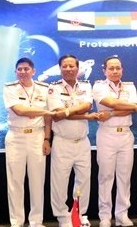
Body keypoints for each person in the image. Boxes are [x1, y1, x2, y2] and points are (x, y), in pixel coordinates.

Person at [92, 56, 137, 227]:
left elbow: (127, 107)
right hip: (106, 135)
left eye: (118, 68)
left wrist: (115, 112)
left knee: (124, 176)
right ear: (104, 70)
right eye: (111, 68)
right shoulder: (98, 86)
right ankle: (105, 216)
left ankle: (122, 214)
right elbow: (111, 102)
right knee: (105, 176)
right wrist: (132, 107)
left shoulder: (129, 86)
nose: (115, 71)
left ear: (122, 69)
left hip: (126, 135)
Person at [48, 54, 100, 227]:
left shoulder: (86, 85)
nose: (69, 69)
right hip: (62, 142)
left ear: (78, 69)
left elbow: (86, 105)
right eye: (65, 66)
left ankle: (79, 213)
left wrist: (68, 112)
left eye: (72, 66)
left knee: (83, 180)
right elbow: (56, 115)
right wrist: (82, 115)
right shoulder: (53, 88)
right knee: (60, 182)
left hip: (82, 142)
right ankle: (62, 216)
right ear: (60, 68)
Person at [3, 57, 53, 227]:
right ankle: (16, 222)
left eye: (26, 69)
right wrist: (40, 110)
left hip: (37, 137)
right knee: (15, 182)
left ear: (34, 71)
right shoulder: (9, 88)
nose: (23, 72)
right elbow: (19, 110)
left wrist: (47, 138)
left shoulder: (44, 89)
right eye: (19, 69)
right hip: (16, 138)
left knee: (37, 181)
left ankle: (36, 221)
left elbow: (48, 118)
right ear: (16, 72)